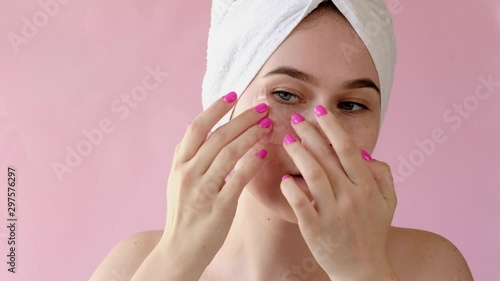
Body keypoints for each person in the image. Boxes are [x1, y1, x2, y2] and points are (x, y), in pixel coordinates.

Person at [90, 1, 474, 280]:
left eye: (352, 104)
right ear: (225, 107)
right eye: (286, 96)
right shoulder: (136, 264)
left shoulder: (430, 266)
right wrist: (176, 262)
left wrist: (362, 272)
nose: (322, 134)